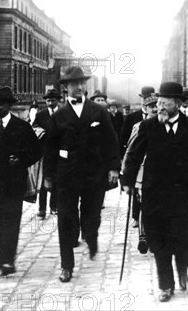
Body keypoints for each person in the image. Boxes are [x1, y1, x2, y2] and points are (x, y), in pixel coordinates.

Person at [122, 82, 188, 302]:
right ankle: (166, 285)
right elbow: (134, 155)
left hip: (185, 197)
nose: (160, 106)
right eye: (158, 102)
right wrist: (128, 181)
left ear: (178, 104)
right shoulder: (148, 127)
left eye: (165, 102)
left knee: (186, 242)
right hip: (155, 195)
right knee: (159, 242)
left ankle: (183, 269)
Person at [43, 66, 120, 283]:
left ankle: (92, 237)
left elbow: (111, 140)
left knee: (91, 216)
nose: (79, 87)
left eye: (81, 83)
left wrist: (114, 167)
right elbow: (50, 148)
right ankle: (67, 265)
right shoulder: (58, 116)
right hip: (67, 176)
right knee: (66, 220)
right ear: (65, 88)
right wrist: (48, 176)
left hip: (93, 175)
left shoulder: (98, 111)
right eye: (74, 83)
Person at [0, 86, 41, 276]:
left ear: (9, 105)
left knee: (11, 220)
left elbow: (36, 151)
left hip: (14, 183)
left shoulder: (22, 127)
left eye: (1, 104)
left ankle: (8, 259)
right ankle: (2, 254)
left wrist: (21, 159)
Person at [124, 92, 158, 255]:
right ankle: (143, 237)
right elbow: (130, 152)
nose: (155, 109)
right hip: (143, 172)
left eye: (158, 105)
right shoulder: (139, 126)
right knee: (145, 203)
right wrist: (126, 177)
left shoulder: (166, 125)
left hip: (162, 172)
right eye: (151, 106)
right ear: (145, 108)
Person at [119, 86, 156, 228]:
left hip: (156, 168)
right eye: (149, 104)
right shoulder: (134, 121)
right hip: (140, 165)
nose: (154, 109)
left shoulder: (163, 122)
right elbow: (128, 145)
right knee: (138, 193)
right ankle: (138, 221)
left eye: (155, 105)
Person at [33, 88, 63, 219]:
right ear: (45, 101)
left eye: (53, 100)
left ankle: (54, 206)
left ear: (58, 101)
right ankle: (42, 209)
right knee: (43, 181)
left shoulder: (63, 114)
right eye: (48, 100)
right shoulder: (40, 115)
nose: (51, 103)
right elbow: (34, 127)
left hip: (59, 152)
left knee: (57, 179)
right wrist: (41, 132)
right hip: (44, 152)